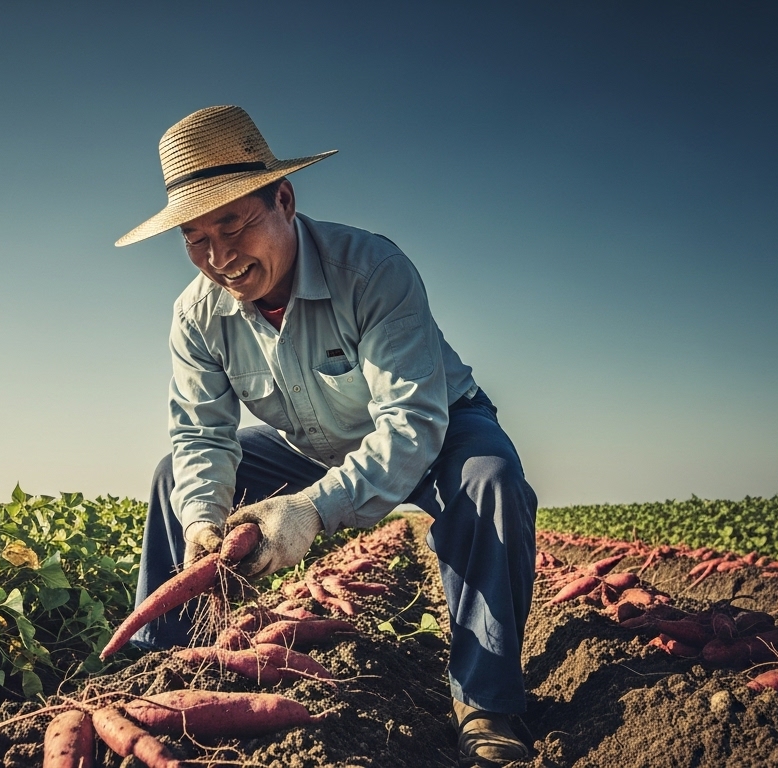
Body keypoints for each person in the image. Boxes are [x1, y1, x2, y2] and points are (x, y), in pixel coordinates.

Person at [114, 105, 539, 767]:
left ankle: (487, 703)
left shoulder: (371, 271)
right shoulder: (196, 316)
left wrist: (312, 509)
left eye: (233, 224)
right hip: (309, 444)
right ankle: (163, 673)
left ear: (283, 200)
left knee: (490, 480)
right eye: (195, 238)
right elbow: (201, 433)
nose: (219, 257)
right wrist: (201, 521)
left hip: (437, 427)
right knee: (177, 476)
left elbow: (410, 422)